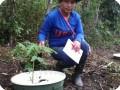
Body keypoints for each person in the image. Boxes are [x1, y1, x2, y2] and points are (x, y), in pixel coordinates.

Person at [38, 0, 90, 87]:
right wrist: (41, 40)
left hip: (71, 45)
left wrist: (77, 41)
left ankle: (77, 75)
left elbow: (80, 33)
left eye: (72, 2)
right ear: (60, 2)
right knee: (71, 58)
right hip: (56, 47)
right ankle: (59, 66)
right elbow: (43, 32)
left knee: (85, 46)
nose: (69, 5)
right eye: (66, 1)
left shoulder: (76, 16)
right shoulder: (52, 16)